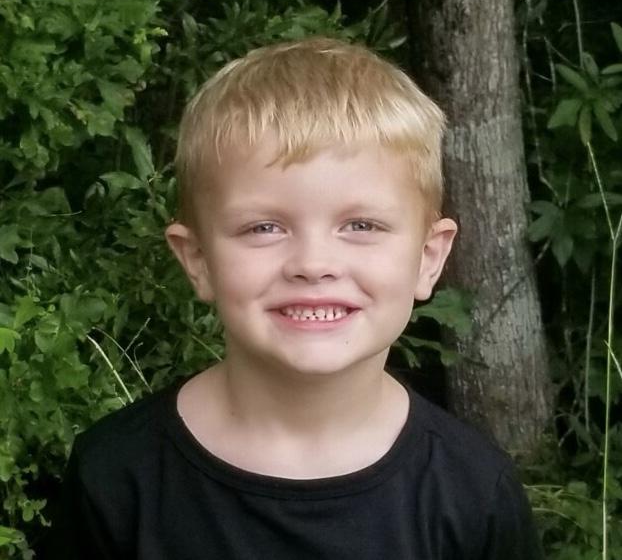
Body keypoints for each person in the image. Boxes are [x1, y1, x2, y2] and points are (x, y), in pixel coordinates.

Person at [48, 37, 543, 559]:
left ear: (428, 257)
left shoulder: (474, 493)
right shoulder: (116, 476)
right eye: (264, 227)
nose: (313, 263)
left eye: (361, 225)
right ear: (197, 259)